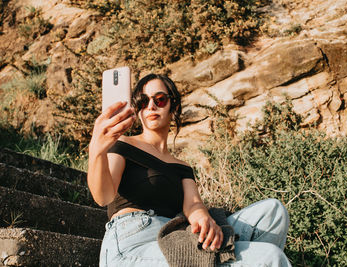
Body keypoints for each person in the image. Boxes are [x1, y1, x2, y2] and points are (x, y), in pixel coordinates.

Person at [87, 73, 292, 266]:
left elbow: (193, 204)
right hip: (132, 243)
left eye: (159, 99)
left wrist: (202, 217)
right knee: (271, 257)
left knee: (274, 211)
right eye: (143, 101)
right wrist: (97, 151)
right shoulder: (123, 144)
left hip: (176, 237)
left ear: (173, 106)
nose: (150, 106)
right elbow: (103, 196)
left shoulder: (182, 166)